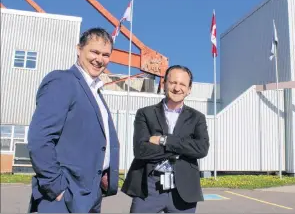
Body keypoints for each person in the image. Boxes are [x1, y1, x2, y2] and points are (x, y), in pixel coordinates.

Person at [27, 27, 120, 213]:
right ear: (79, 49)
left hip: (90, 195)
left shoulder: (95, 91)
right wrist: (56, 187)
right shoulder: (63, 81)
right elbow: (40, 138)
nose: (99, 59)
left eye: (105, 54)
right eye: (94, 51)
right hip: (64, 196)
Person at [121, 65, 210, 213]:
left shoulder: (197, 118)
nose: (177, 88)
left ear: (189, 89)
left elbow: (201, 149)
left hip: (183, 188)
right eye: (173, 82)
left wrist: (164, 141)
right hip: (149, 186)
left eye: (182, 84)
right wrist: (183, 147)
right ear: (164, 84)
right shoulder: (145, 114)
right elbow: (141, 150)